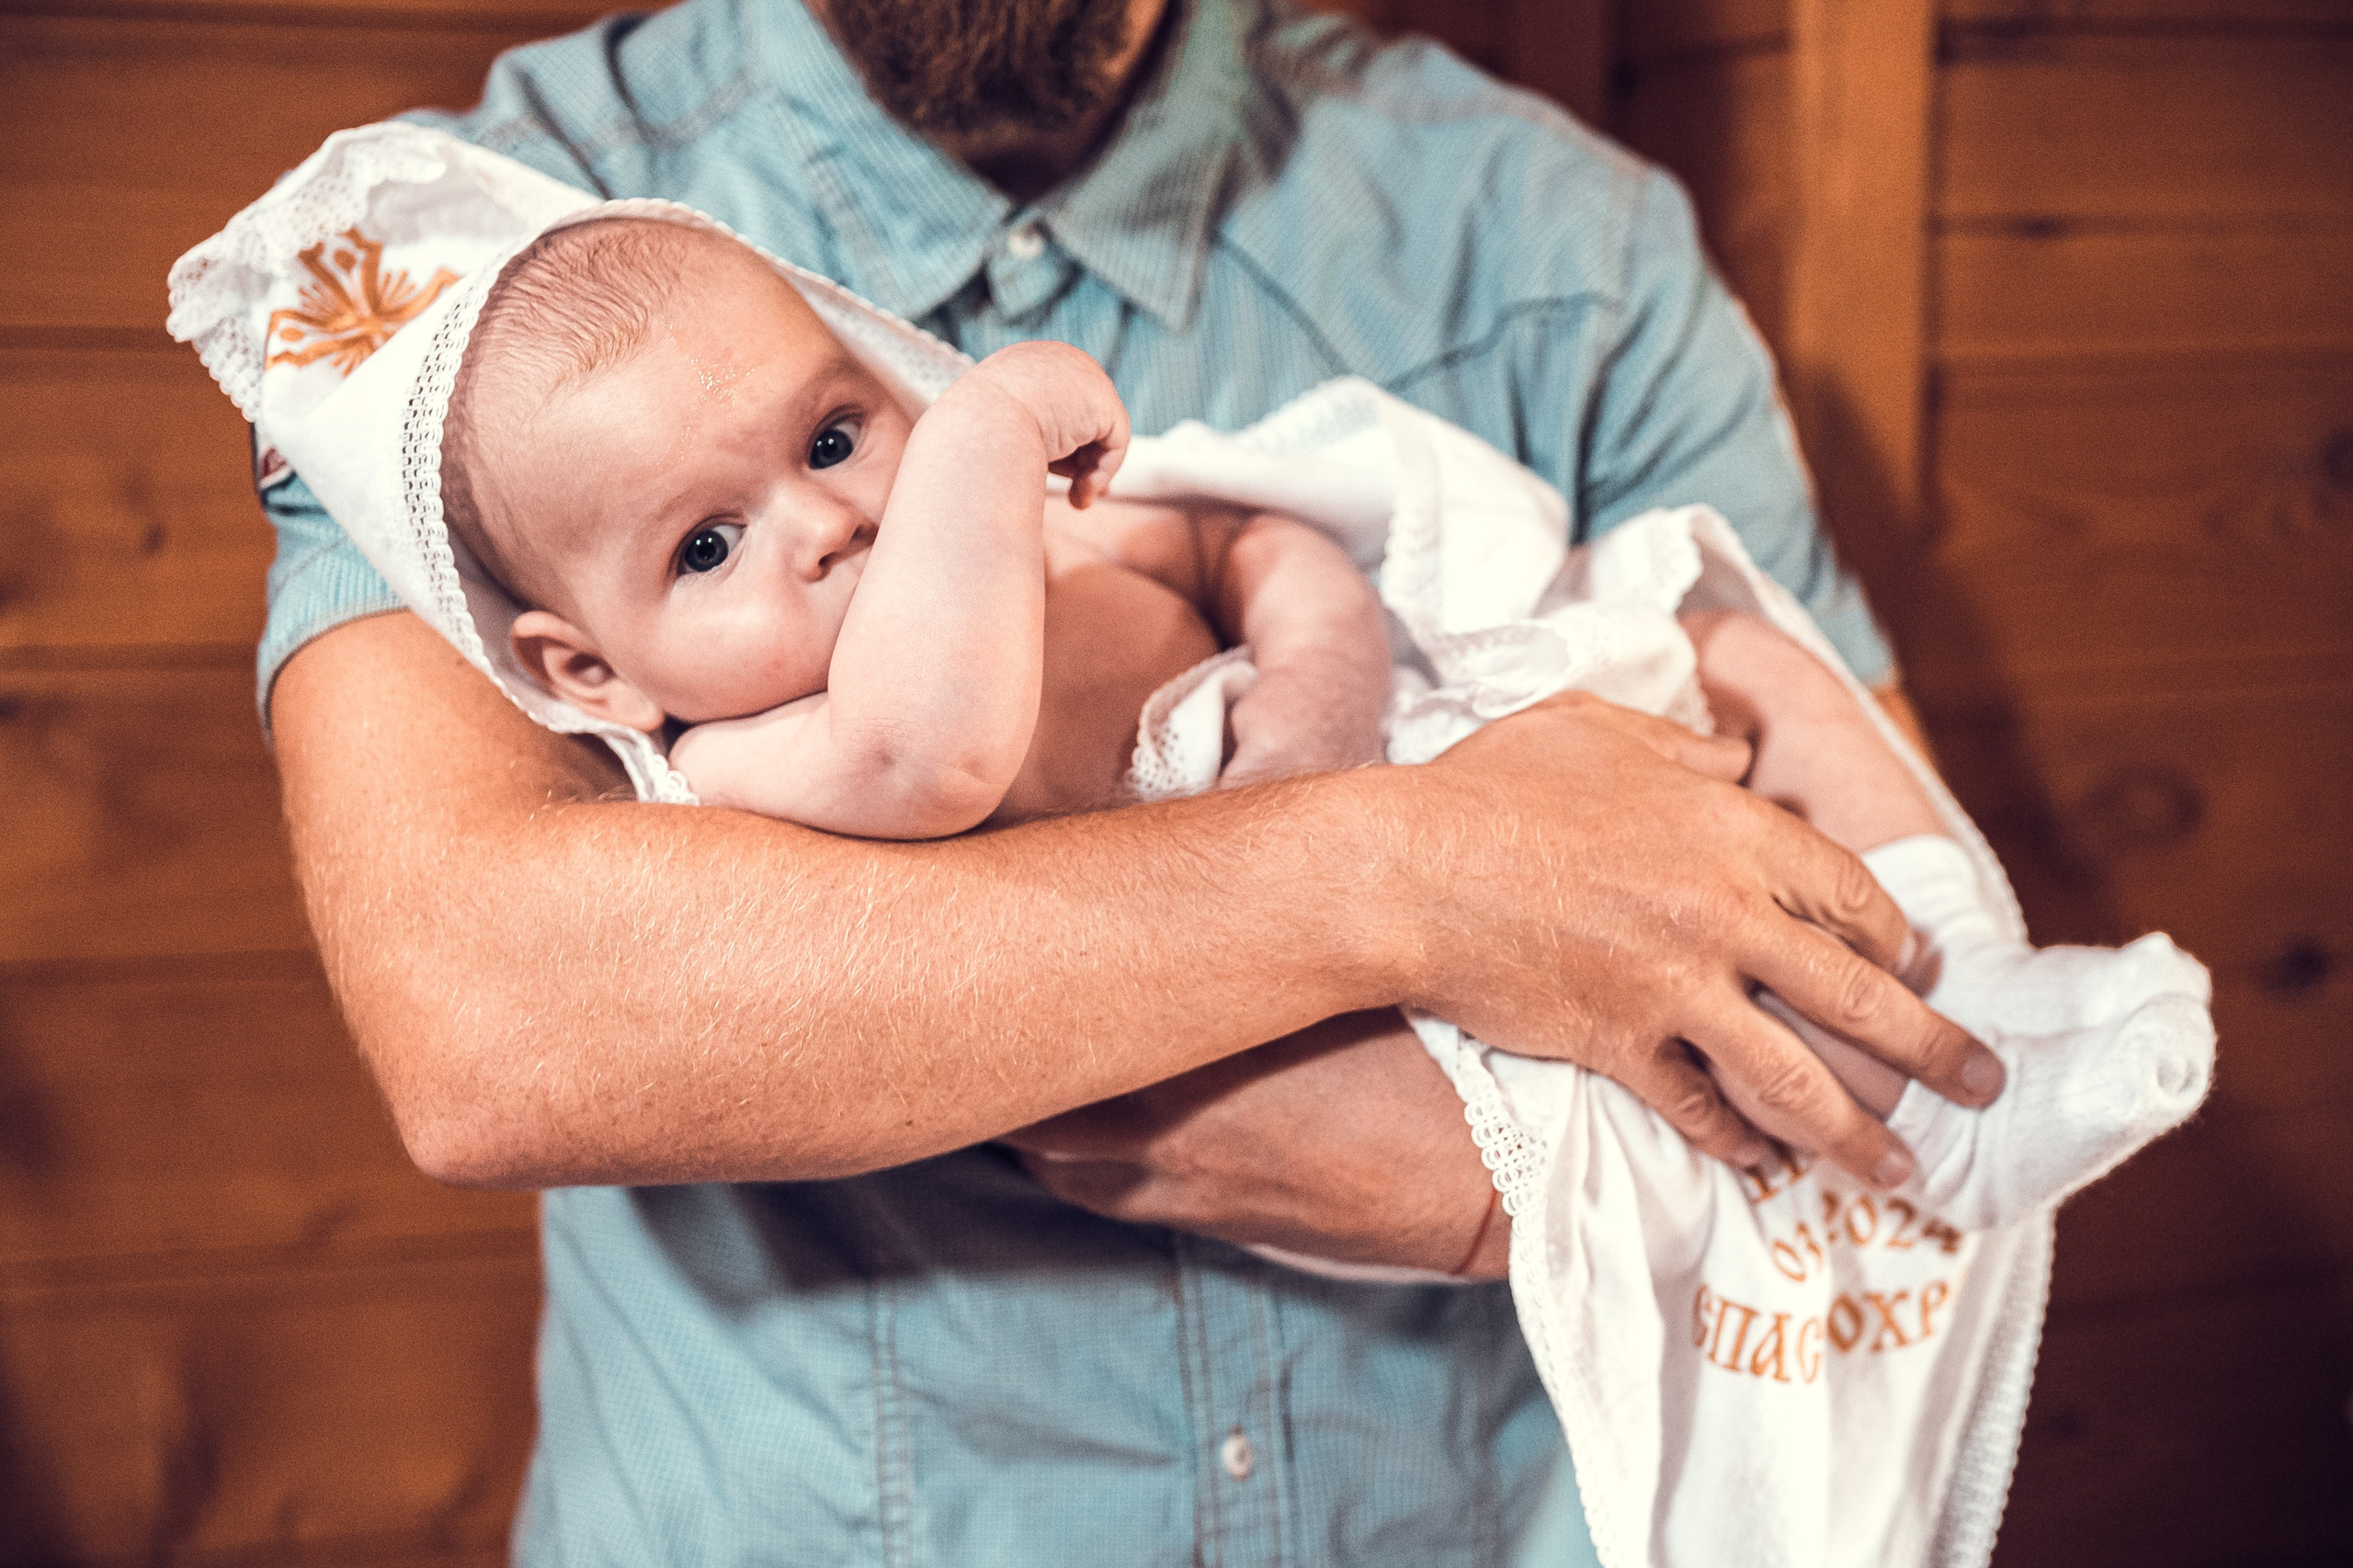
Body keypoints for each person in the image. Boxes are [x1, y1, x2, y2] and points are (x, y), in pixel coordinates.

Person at [250, 0, 2011, 1559]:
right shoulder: (452, 298)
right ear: (585, 666)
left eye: (840, 440)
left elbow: (1867, 902)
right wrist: (1404, 873)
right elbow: (504, 1017)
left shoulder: (1565, 238)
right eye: (707, 545)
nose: (827, 522)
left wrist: (1333, 705)